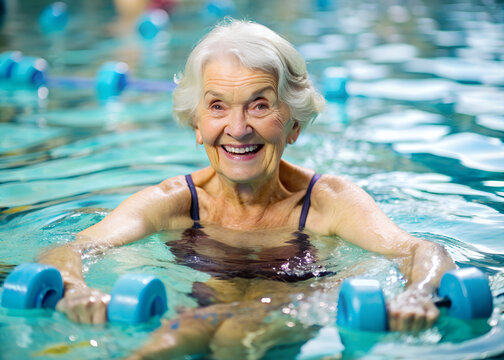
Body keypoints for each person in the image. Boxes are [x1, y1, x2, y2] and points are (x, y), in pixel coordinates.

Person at [39, 19, 455, 359]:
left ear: (292, 124)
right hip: (201, 309)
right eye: (218, 106)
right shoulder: (175, 201)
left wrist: (419, 293)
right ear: (197, 125)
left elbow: (421, 251)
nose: (237, 129)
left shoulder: (327, 202)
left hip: (296, 309)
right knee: (161, 346)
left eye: (260, 104)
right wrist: (76, 288)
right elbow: (70, 248)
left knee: (235, 335)